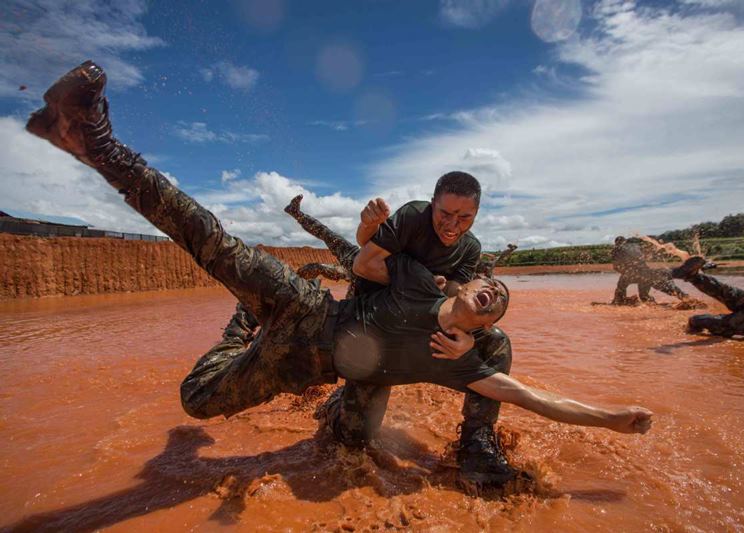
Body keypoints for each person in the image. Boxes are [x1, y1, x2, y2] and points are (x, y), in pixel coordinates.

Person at [27, 62, 653, 478]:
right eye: (488, 289)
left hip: (317, 361)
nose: (457, 230)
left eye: (492, 296)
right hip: (315, 312)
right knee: (217, 245)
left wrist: (613, 420)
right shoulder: (412, 268)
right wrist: (360, 232)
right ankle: (93, 139)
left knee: (199, 403)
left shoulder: (464, 351)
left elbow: (538, 398)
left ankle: (471, 444)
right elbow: (366, 261)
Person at [328, 173, 520, 486]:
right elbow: (363, 264)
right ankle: (334, 404)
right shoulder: (412, 217)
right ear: (432, 205)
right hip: (379, 323)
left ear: (477, 214)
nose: (452, 226)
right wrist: (417, 285)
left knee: (495, 343)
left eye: (464, 217)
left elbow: (457, 298)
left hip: (424, 324)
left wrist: (467, 339)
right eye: (445, 214)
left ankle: (476, 443)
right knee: (352, 438)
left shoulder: (470, 248)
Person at [611, 236, 693, 305]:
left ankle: (620, 301)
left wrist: (626, 273)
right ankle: (686, 298)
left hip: (631, 273)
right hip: (646, 272)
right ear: (625, 241)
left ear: (616, 243)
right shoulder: (635, 245)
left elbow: (616, 267)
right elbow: (646, 255)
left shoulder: (616, 249)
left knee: (621, 287)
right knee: (662, 288)